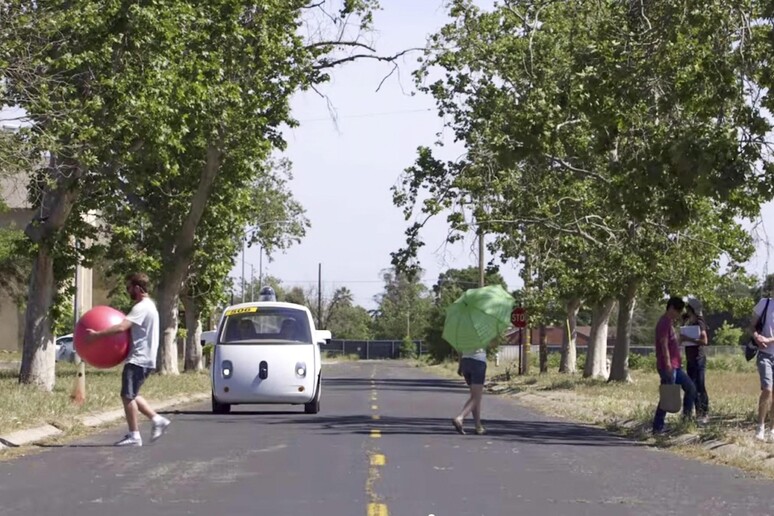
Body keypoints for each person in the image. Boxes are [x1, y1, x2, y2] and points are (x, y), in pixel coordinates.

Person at [86, 272, 170, 447]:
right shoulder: (150, 306)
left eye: (129, 287)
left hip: (139, 359)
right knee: (132, 395)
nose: (127, 291)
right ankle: (157, 419)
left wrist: (97, 335)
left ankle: (134, 436)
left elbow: (121, 327)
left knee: (127, 396)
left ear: (138, 288)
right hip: (145, 359)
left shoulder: (141, 307)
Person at [653, 296, 696, 434]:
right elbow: (663, 344)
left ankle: (686, 420)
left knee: (690, 388)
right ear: (671, 308)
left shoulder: (670, 323)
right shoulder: (664, 323)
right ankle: (657, 427)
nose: (678, 315)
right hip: (668, 366)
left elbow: (672, 343)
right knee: (668, 397)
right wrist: (667, 363)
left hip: (676, 366)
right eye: (677, 311)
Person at [453, 343, 492, 436]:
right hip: (478, 361)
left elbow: (460, 349)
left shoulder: (464, 331)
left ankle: (478, 426)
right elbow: (492, 344)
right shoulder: (482, 330)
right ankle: (460, 418)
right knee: (477, 397)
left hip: (465, 362)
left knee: (474, 396)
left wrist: (460, 365)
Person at [749, 295, 774, 441]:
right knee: (767, 389)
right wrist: (757, 337)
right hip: (764, 354)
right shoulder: (765, 303)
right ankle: (760, 427)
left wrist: (769, 339)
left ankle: (772, 429)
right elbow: (751, 326)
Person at [681, 298, 709, 423]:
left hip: (698, 358)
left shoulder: (699, 321)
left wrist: (688, 338)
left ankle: (703, 413)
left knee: (699, 386)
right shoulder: (689, 321)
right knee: (690, 386)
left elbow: (704, 341)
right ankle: (689, 413)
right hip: (690, 358)